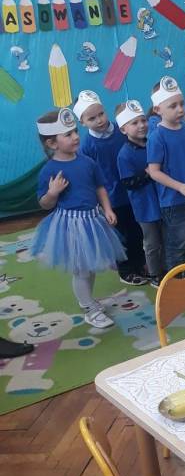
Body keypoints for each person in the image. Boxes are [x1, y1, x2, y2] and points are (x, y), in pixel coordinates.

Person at [31, 107, 125, 329]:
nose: (75, 137)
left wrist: (108, 209)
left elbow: (100, 187)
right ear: (52, 143)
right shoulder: (50, 170)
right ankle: (89, 309)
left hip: (93, 221)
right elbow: (45, 204)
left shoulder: (87, 162)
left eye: (75, 131)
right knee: (81, 270)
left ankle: (88, 300)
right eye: (68, 134)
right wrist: (52, 192)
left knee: (89, 267)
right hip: (71, 226)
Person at [75, 90, 147, 286]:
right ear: (82, 122)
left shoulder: (122, 130)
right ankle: (126, 270)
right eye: (92, 118)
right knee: (121, 236)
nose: (99, 120)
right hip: (113, 199)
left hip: (134, 191)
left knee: (138, 231)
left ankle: (140, 263)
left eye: (101, 114)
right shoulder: (87, 146)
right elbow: (89, 177)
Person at [147, 76, 185, 272]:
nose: (180, 109)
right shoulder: (157, 137)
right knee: (177, 244)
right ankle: (177, 279)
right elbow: (154, 172)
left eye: (181, 104)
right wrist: (179, 186)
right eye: (173, 106)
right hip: (173, 201)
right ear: (158, 110)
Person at [116, 100, 164, 288]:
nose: (142, 125)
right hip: (145, 207)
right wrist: (148, 173)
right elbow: (128, 183)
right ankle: (154, 274)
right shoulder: (124, 154)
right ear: (123, 129)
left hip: (162, 200)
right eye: (134, 123)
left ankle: (168, 268)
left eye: (143, 120)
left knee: (166, 237)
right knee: (152, 243)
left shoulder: (153, 142)